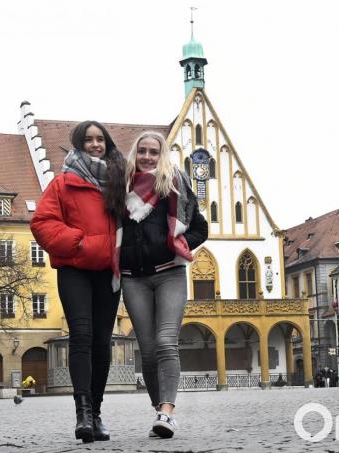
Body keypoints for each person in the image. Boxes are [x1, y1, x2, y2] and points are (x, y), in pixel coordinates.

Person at [30, 120, 126, 443]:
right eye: (89, 140)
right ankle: (82, 413)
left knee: (102, 342)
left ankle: (96, 412)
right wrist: (79, 242)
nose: (96, 144)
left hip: (106, 272)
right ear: (79, 144)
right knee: (81, 336)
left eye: (100, 139)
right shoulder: (63, 183)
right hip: (74, 269)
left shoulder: (118, 182)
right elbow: (41, 222)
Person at [119, 131, 207, 439]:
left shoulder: (175, 183)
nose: (146, 156)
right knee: (148, 350)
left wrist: (179, 244)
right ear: (135, 153)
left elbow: (201, 227)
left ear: (162, 154)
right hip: (133, 278)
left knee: (166, 341)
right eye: (142, 151)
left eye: (153, 152)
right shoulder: (122, 187)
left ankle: (167, 412)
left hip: (170, 273)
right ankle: (160, 411)